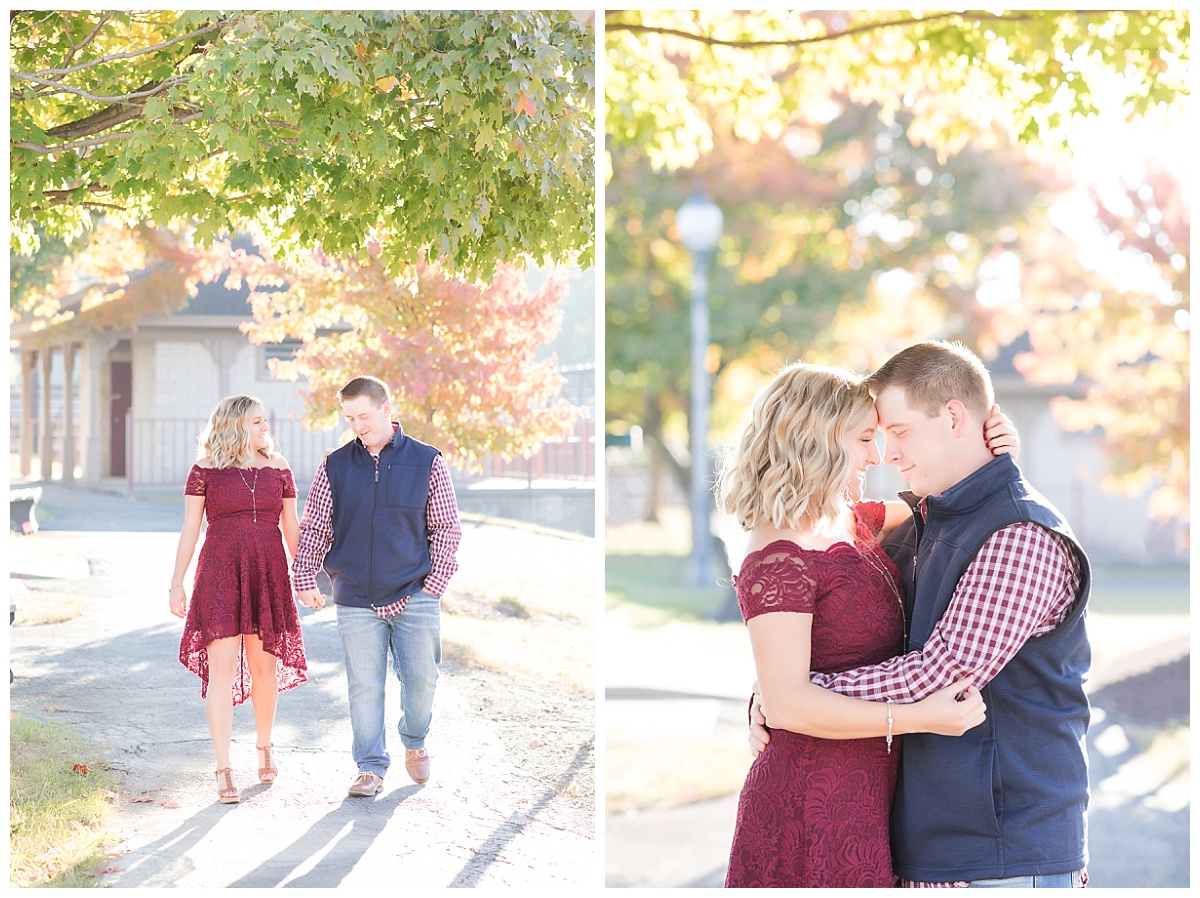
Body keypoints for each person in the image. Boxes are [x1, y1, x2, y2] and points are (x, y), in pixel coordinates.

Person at [750, 341, 1091, 888]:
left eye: (899, 432)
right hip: (924, 844)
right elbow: (818, 594)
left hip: (1004, 855)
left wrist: (791, 695)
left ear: (954, 416)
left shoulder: (1022, 536)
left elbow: (938, 676)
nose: (886, 454)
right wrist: (778, 688)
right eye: (874, 436)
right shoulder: (924, 520)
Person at [715, 361, 1008, 888]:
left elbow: (954, 501)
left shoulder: (851, 519)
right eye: (865, 438)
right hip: (809, 802)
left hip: (872, 792)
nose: (877, 456)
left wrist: (997, 453)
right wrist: (919, 717)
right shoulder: (776, 557)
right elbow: (788, 703)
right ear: (816, 439)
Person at [293, 375, 462, 797]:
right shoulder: (335, 464)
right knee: (365, 685)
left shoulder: (426, 461)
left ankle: (415, 739)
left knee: (421, 680)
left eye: (364, 416)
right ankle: (370, 767)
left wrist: (434, 585)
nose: (357, 425)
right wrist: (304, 576)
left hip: (415, 590)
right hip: (354, 596)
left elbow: (445, 528)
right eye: (350, 418)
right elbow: (315, 526)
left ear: (387, 409)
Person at [169, 395, 311, 805]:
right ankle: (223, 767)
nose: (265, 427)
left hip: (268, 577)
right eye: (257, 421)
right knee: (222, 675)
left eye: (265, 420)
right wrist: (176, 584)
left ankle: (264, 747)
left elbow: (292, 530)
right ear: (234, 426)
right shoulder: (205, 472)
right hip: (219, 576)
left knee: (266, 671)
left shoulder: (280, 469)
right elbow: (190, 531)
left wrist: (306, 577)